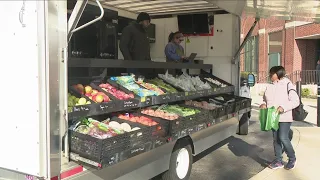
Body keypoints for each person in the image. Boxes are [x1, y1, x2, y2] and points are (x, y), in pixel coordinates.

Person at [259, 66, 300, 170]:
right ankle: (278, 160)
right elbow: (265, 99)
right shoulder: (269, 86)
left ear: (278, 74)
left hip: (284, 117)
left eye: (271, 73)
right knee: (276, 139)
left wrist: (284, 107)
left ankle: (292, 158)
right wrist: (263, 104)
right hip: (272, 117)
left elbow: (296, 101)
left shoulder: (288, 84)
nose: (270, 75)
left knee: (283, 137)